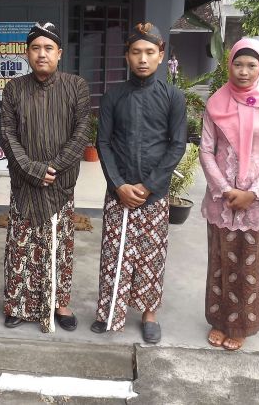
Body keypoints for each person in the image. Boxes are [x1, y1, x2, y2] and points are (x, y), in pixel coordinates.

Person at [90, 22, 187, 344]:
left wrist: (150, 185)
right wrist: (118, 184)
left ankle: (149, 314)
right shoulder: (113, 96)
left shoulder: (173, 97)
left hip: (153, 194)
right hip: (118, 192)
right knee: (114, 254)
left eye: (149, 52)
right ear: (127, 56)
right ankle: (108, 311)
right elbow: (103, 143)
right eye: (136, 52)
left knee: (150, 257)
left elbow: (177, 144)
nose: (142, 59)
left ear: (161, 55)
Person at [0, 21, 91, 333]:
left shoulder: (76, 86)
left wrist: (54, 168)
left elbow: (82, 131)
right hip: (24, 182)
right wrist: (33, 169)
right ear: (27, 53)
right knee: (21, 246)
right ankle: (16, 304)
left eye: (48, 48)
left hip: (61, 183)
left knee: (60, 245)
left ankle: (59, 303)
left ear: (59, 53)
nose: (42, 53)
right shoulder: (14, 89)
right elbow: (7, 133)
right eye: (36, 48)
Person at [200, 38, 259, 351]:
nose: (244, 71)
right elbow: (206, 150)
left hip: (256, 203)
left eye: (251, 65)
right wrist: (225, 190)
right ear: (230, 65)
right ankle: (218, 320)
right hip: (221, 200)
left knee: (248, 266)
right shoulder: (216, 102)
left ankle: (240, 326)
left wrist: (254, 192)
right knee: (220, 262)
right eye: (238, 64)